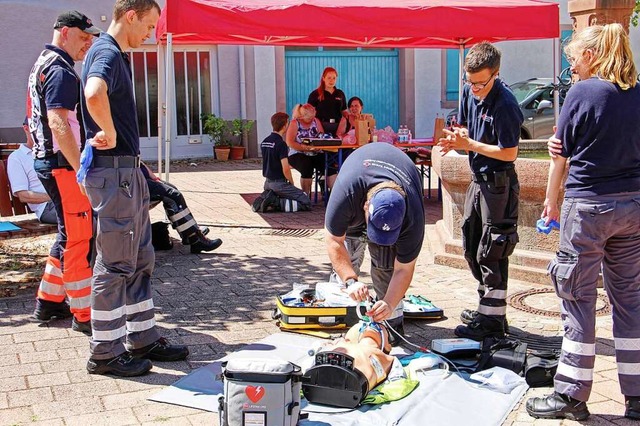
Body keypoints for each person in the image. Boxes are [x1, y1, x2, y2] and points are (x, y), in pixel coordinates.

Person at [525, 24, 640, 422]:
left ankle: (571, 394)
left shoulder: (584, 92)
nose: (571, 65)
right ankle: (637, 397)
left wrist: (549, 204)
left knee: (576, 296)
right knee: (629, 300)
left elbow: (561, 155)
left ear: (591, 55)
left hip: (588, 207)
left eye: (573, 58)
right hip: (632, 208)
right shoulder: (637, 93)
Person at [80, 0, 188, 377]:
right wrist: (108, 133)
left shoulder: (115, 54)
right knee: (115, 263)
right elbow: (94, 93)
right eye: (148, 25)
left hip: (126, 171)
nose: (151, 34)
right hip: (114, 175)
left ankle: (142, 338)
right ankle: (105, 353)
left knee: (140, 258)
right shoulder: (106, 52)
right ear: (130, 16)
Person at [438, 41, 523, 341]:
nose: (473, 88)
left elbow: (509, 153)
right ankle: (489, 310)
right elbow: (463, 125)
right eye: (469, 81)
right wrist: (459, 134)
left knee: (493, 249)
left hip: (499, 183)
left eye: (480, 83)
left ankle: (491, 323)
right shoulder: (469, 91)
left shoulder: (506, 104)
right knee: (473, 245)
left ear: (496, 74)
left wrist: (469, 145)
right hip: (478, 179)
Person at [26, 10, 101, 336]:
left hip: (48, 161)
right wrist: (79, 169)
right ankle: (83, 314)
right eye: (84, 37)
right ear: (66, 32)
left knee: (68, 233)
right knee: (80, 238)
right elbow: (58, 122)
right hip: (61, 166)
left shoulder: (42, 64)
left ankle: (48, 301)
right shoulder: (60, 70)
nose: (87, 44)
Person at [324, 142, 425, 341]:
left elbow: (403, 269)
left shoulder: (413, 218)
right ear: (366, 205)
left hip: (401, 176)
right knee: (349, 249)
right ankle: (346, 312)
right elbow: (334, 239)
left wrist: (389, 303)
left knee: (386, 263)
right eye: (375, 229)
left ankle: (392, 324)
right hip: (358, 177)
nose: (375, 237)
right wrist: (350, 280)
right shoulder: (347, 193)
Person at [141, 162, 223, 253]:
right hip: (130, 183)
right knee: (174, 196)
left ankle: (190, 232)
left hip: (139, 177)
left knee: (172, 188)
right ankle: (194, 238)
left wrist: (153, 177)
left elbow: (138, 158)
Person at [7, 119, 57, 224]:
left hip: (68, 200)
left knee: (95, 214)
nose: (43, 131)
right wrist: (55, 197)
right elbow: (23, 195)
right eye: (37, 127)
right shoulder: (17, 157)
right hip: (47, 207)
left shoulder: (54, 150)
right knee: (88, 219)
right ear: (26, 128)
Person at [260, 112, 311, 210]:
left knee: (291, 196)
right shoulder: (281, 144)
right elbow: (286, 168)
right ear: (285, 126)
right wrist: (291, 182)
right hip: (279, 183)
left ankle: (271, 199)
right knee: (306, 202)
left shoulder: (265, 141)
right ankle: (276, 203)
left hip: (267, 183)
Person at [285, 103, 337, 197]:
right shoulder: (294, 123)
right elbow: (290, 142)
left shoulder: (316, 121)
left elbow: (321, 136)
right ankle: (305, 195)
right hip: (298, 152)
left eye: (313, 117)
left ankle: (335, 195)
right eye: (309, 118)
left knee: (330, 167)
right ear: (301, 116)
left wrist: (319, 146)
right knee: (306, 167)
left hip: (315, 152)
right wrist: (304, 147)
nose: (311, 120)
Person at [307, 66, 348, 136]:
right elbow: (309, 113)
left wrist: (350, 118)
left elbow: (344, 112)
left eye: (334, 78)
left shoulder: (340, 93)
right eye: (329, 78)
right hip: (321, 126)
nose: (331, 80)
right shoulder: (315, 94)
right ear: (323, 78)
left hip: (338, 126)